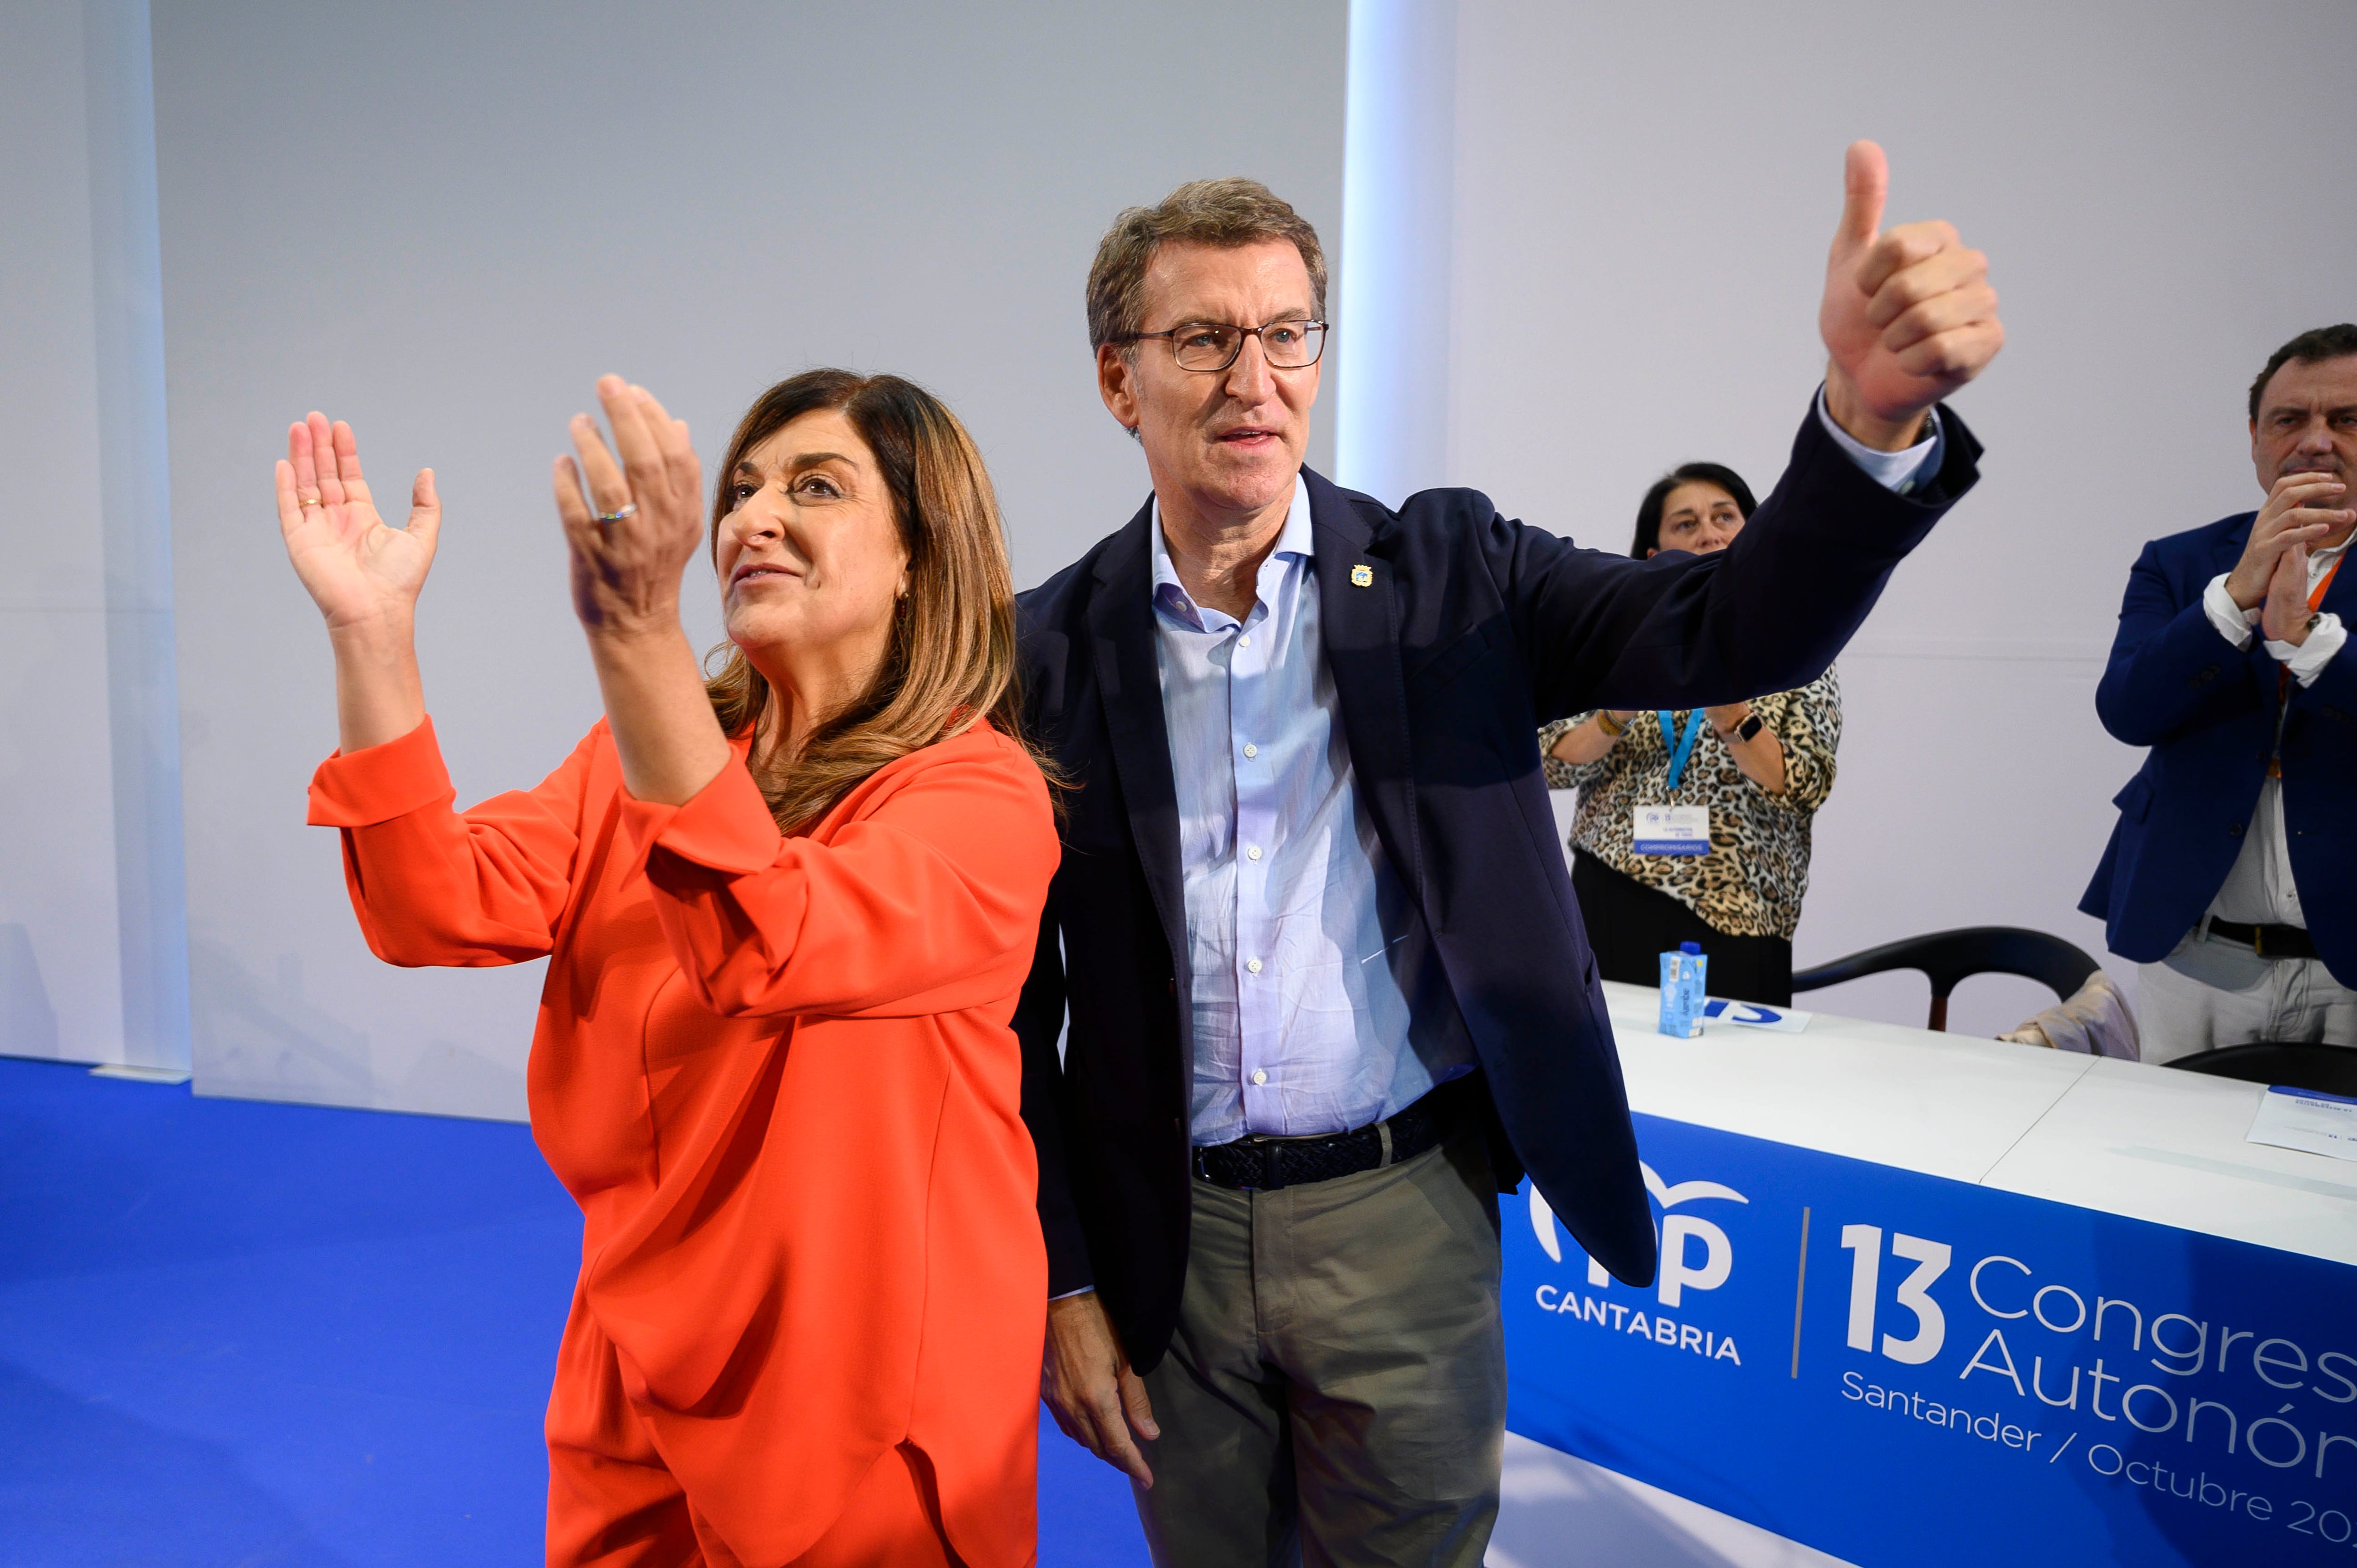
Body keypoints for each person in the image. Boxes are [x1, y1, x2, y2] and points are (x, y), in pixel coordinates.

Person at [1016, 141, 2002, 1567]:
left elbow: (1732, 631)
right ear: (1120, 378)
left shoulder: (1453, 573)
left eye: (1286, 333)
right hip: (1162, 1233)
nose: (1254, 376)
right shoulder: (1043, 646)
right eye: (1203, 337)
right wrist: (1064, 1276)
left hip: (1399, 1216)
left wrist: (1860, 431)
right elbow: (1004, 1010)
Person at [280, 371, 1057, 1567]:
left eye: (816, 486)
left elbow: (763, 936)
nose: (752, 516)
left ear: (920, 552)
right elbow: (432, 903)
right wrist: (371, 636)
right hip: (633, 1360)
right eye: (741, 488)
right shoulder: (639, 756)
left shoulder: (982, 797)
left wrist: (634, 638)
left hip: (856, 1404)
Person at [2082, 324, 2357, 1062]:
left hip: (2351, 969)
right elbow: (2128, 711)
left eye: (2347, 420)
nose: (2317, 441)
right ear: (2255, 437)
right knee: (2176, 1165)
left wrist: (2312, 642)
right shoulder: (2178, 562)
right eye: (2290, 419)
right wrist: (2233, 598)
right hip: (2198, 959)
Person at [1539, 462, 1842, 1005]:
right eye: (1684, 523)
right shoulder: (1618, 641)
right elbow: (1548, 761)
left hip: (1738, 906)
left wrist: (1733, 716)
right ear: (1654, 556)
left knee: (1731, 1085)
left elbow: (1804, 783)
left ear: (1753, 534)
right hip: (1610, 890)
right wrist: (1616, 710)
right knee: (1613, 1076)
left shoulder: (1797, 645)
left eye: (1724, 516)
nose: (1707, 530)